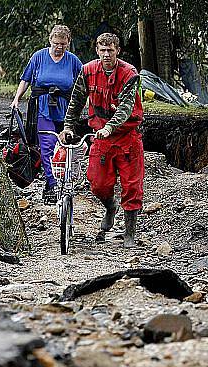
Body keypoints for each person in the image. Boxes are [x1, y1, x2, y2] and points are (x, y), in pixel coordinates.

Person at [60, 32, 144, 247]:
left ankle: (129, 234)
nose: (107, 54)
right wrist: (68, 126)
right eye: (102, 50)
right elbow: (77, 100)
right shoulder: (87, 71)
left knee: (131, 187)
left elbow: (126, 106)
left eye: (111, 50)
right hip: (101, 139)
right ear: (97, 51)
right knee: (97, 184)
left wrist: (110, 127)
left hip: (127, 138)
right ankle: (110, 207)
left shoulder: (129, 73)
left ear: (118, 51)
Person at [11, 25, 82, 204]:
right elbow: (25, 79)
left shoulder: (73, 61)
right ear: (50, 40)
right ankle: (52, 185)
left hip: (65, 108)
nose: (59, 47)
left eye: (63, 44)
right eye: (56, 43)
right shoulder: (39, 57)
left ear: (68, 43)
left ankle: (65, 181)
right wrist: (16, 99)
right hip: (43, 107)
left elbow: (84, 82)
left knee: (65, 145)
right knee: (48, 145)